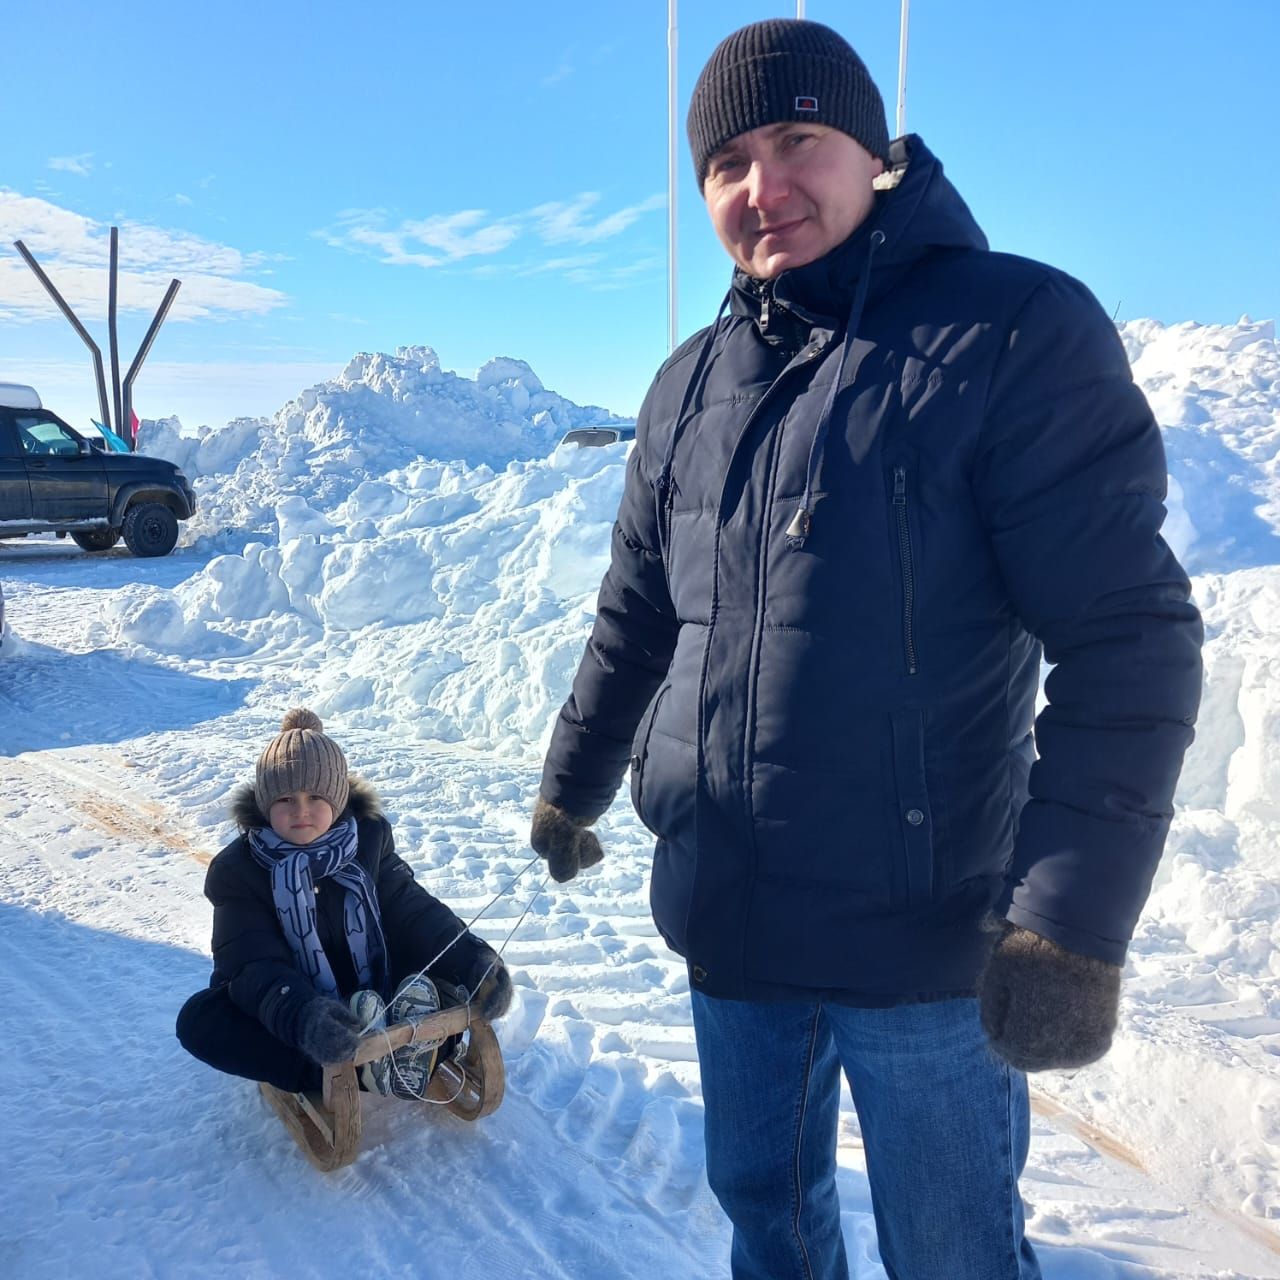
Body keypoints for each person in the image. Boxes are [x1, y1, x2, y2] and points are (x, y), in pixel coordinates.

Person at [531, 18, 1203, 1280]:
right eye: (725, 161)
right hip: (727, 919)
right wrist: (572, 781)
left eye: (796, 140)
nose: (761, 186)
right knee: (767, 1224)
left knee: (951, 1249)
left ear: (872, 152)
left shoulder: (1008, 333)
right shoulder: (686, 384)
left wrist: (1065, 926)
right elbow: (635, 612)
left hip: (924, 948)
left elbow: (1127, 640)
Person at [178, 708, 512, 1100]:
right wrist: (303, 1015)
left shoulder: (368, 839)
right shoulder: (239, 870)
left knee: (436, 967)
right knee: (201, 1020)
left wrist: (472, 961)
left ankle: (415, 1045)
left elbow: (412, 909)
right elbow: (253, 963)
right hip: (300, 994)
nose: (301, 810)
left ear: (337, 799)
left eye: (315, 796)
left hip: (375, 981)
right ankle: (337, 1072)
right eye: (285, 798)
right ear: (265, 803)